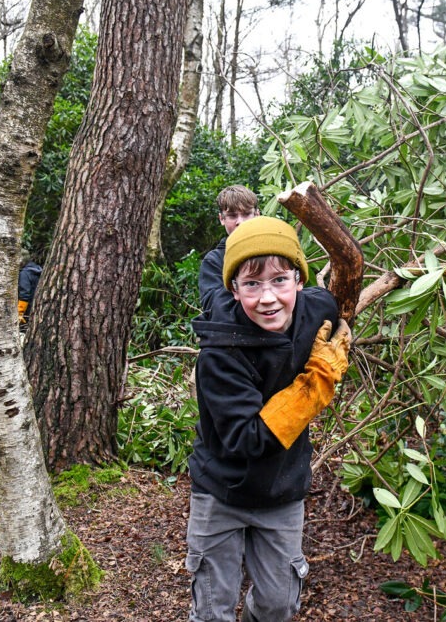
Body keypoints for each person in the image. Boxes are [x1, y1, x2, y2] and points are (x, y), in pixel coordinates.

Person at [186, 216, 352, 622]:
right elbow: (247, 439)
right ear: (233, 289)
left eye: (280, 280)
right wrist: (315, 384)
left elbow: (338, 305)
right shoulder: (220, 353)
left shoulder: (316, 308)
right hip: (220, 490)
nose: (268, 298)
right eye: (252, 284)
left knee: (279, 605)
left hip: (282, 488)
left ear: (299, 280)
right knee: (212, 611)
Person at [198, 185, 260, 315]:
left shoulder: (275, 251)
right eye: (232, 216)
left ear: (257, 214)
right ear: (221, 219)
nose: (240, 222)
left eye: (247, 214)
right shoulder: (214, 261)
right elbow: (214, 308)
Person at [17, 253, 43, 324]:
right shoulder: (38, 270)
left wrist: (19, 313)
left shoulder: (24, 273)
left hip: (28, 310)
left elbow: (24, 294)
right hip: (39, 308)